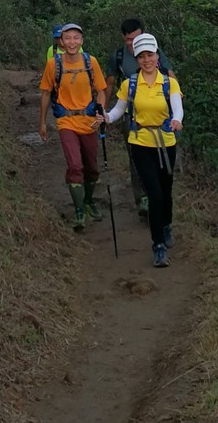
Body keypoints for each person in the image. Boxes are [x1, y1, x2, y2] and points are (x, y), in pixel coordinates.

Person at [104, 33, 182, 267]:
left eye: (150, 55)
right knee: (155, 194)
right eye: (142, 56)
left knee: (166, 192)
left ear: (157, 57)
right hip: (140, 143)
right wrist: (106, 117)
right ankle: (158, 245)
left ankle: (166, 225)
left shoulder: (169, 82)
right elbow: (119, 110)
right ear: (136, 59)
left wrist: (177, 120)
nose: (146, 60)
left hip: (166, 142)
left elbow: (177, 108)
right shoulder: (130, 84)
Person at [39, 23, 107, 231]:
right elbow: (46, 93)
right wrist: (42, 122)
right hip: (65, 121)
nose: (71, 42)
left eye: (76, 38)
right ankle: (79, 211)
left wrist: (101, 112)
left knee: (92, 169)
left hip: (88, 121)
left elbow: (101, 90)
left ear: (82, 41)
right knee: (75, 165)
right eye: (67, 38)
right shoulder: (53, 64)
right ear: (61, 41)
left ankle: (88, 201)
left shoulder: (90, 62)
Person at [104, 18, 173, 219]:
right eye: (128, 40)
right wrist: (104, 110)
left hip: (159, 117)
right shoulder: (117, 56)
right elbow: (109, 84)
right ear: (123, 38)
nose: (132, 43)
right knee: (136, 158)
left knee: (162, 159)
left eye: (136, 38)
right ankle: (142, 198)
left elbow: (170, 76)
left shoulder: (154, 54)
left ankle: (158, 196)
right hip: (131, 115)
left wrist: (174, 109)